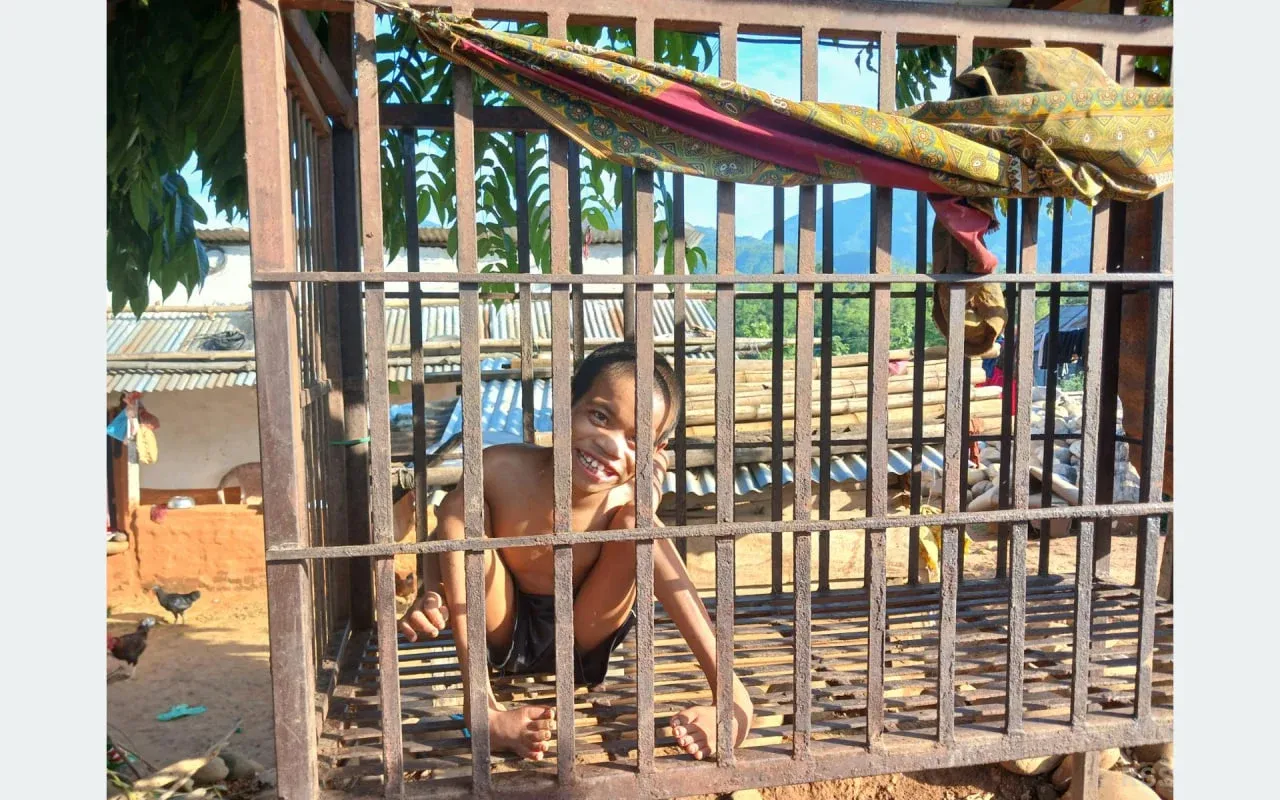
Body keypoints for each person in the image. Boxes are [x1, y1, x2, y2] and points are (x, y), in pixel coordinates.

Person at [399, 342, 754, 762]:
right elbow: (445, 533)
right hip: (503, 627)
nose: (610, 445)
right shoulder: (498, 469)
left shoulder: (634, 492)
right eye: (600, 417)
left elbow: (652, 485)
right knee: (459, 508)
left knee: (638, 523)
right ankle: (481, 706)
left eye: (635, 440)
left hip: (587, 635)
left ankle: (733, 696)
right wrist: (432, 592)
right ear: (565, 404)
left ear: (653, 452)